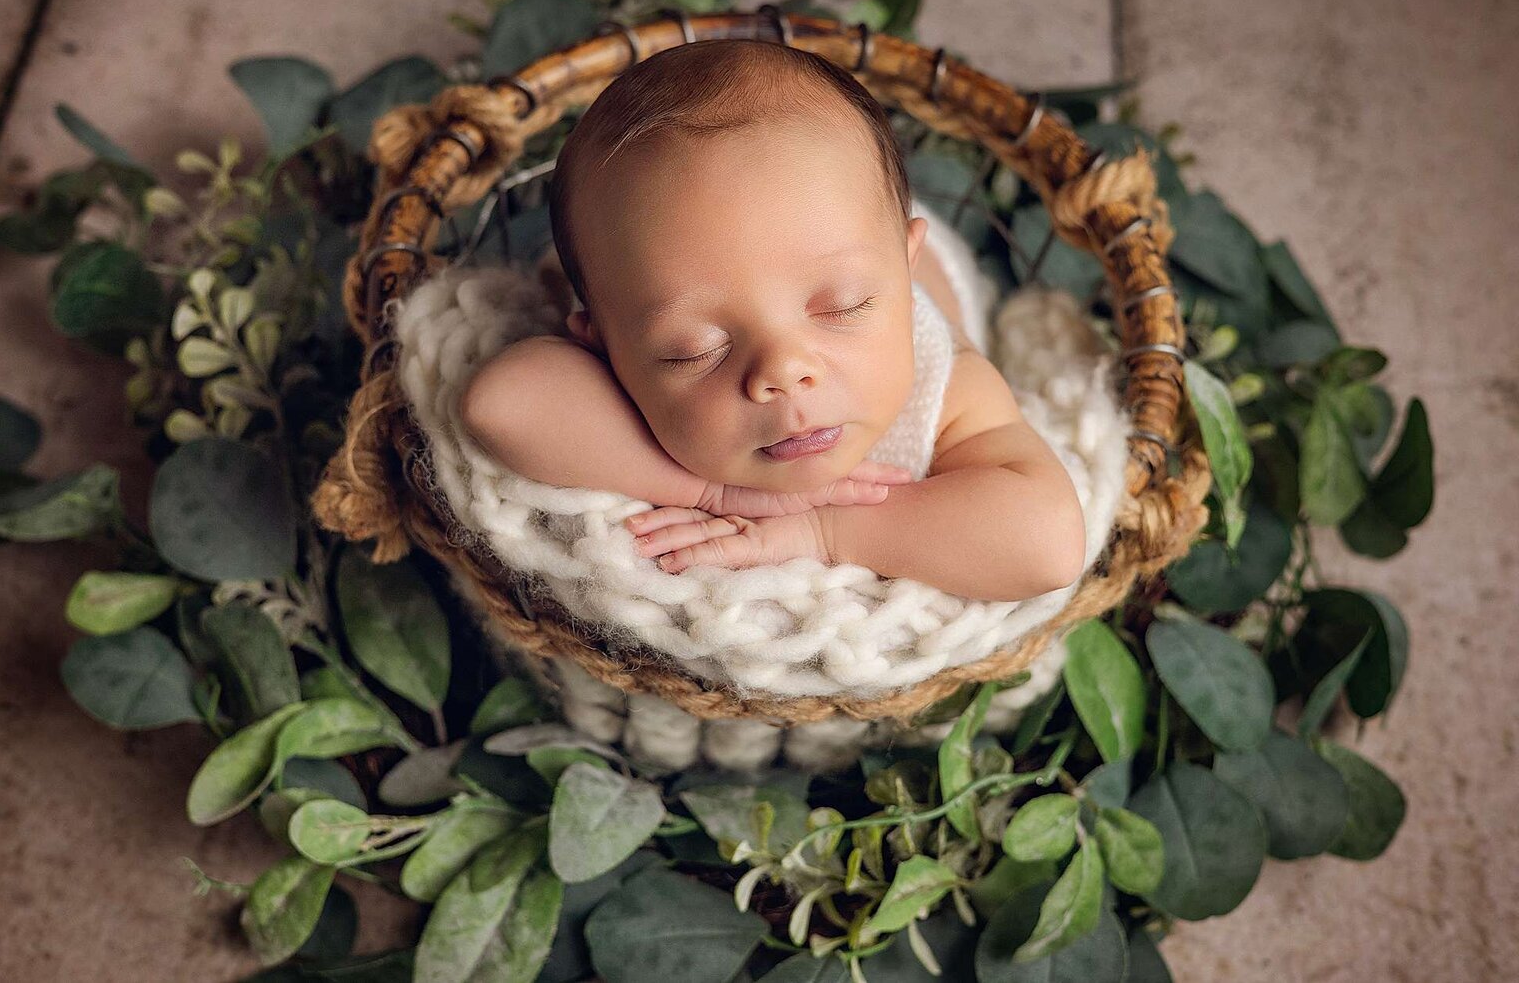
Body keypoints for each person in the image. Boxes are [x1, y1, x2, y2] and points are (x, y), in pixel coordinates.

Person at [458, 39, 1086, 603]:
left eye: (844, 309)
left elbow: (1046, 542)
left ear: (902, 266)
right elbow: (500, 402)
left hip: (860, 233)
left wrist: (820, 528)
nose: (783, 372)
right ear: (604, 345)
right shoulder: (637, 314)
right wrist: (714, 496)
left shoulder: (943, 390)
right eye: (693, 349)